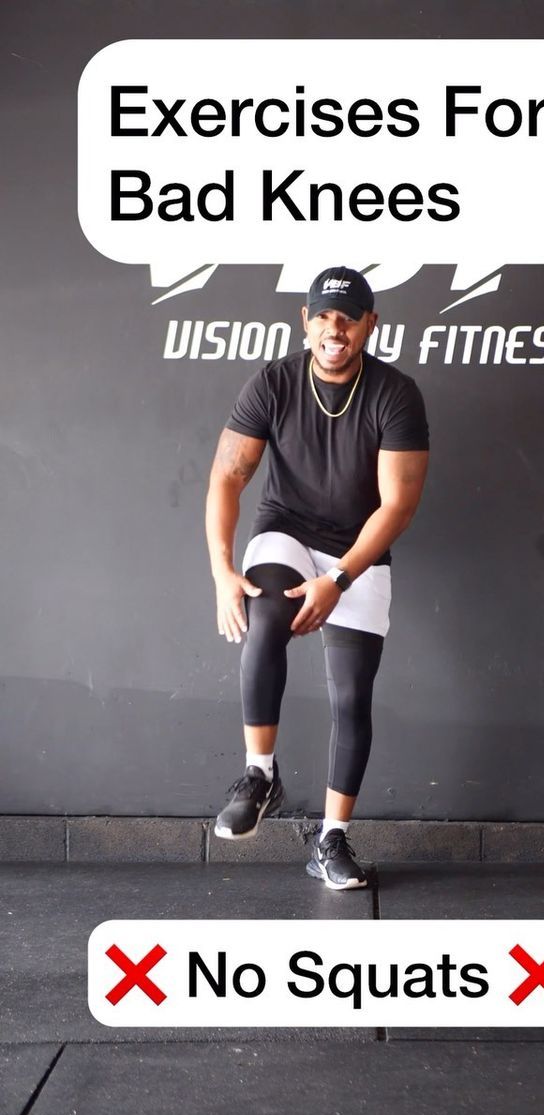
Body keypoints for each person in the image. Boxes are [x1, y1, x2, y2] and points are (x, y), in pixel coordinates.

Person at [205, 266, 429, 889]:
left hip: (359, 548)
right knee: (266, 614)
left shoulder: (395, 393)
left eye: (350, 316)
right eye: (325, 316)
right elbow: (228, 477)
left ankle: (330, 842)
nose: (336, 329)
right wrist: (224, 570)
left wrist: (342, 577)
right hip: (288, 530)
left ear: (370, 325)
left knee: (352, 696)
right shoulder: (273, 383)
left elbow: (397, 506)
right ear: (306, 321)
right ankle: (260, 774)